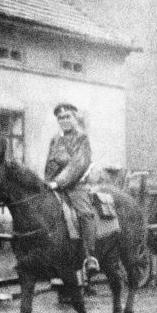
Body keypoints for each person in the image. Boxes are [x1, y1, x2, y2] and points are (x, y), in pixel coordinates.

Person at [44, 102, 99, 274]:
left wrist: (58, 182)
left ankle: (90, 257)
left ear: (75, 118)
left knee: (84, 214)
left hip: (75, 186)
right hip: (54, 185)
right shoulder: (55, 139)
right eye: (60, 118)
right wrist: (46, 181)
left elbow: (78, 163)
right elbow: (50, 162)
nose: (64, 120)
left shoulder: (82, 138)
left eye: (67, 117)